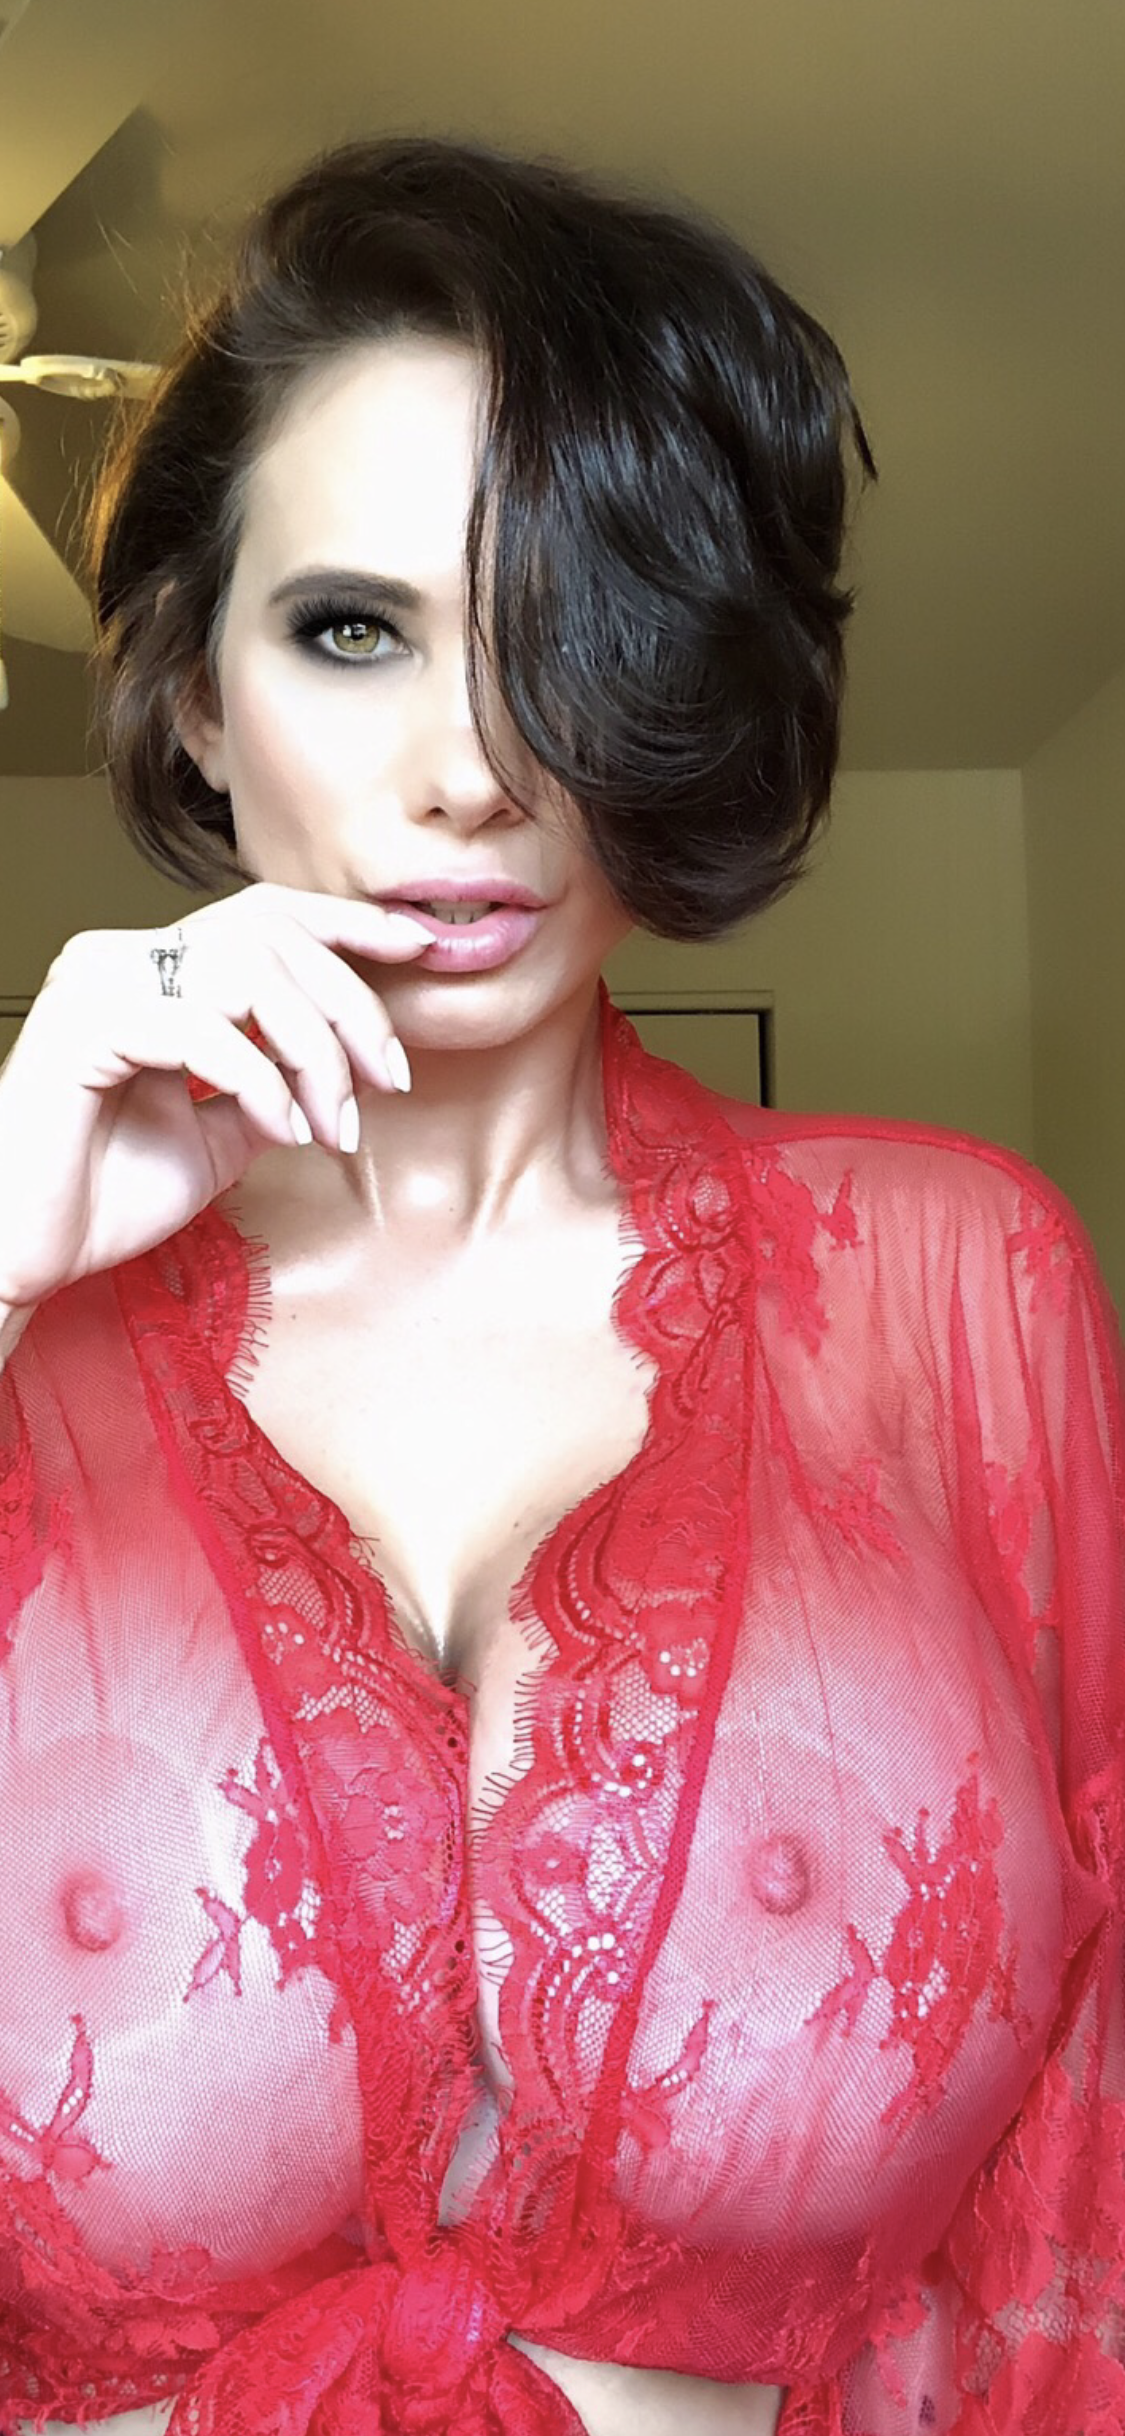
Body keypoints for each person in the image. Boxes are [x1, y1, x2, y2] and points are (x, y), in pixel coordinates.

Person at [0, 134, 1120, 2436]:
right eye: (351, 630)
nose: (474, 768)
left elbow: (1080, 2186)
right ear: (193, 697)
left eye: (569, 628)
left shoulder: (955, 1281)